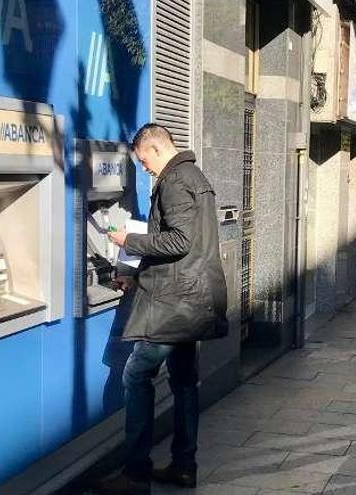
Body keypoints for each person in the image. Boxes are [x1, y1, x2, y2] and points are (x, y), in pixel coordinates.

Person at [94, 124, 228, 495]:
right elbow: (188, 246)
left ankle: (136, 474)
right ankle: (185, 467)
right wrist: (136, 277)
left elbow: (180, 241)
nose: (144, 168)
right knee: (184, 381)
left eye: (143, 161)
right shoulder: (194, 177)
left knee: (136, 376)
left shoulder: (174, 181)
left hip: (175, 304)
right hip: (191, 297)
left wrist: (129, 241)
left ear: (155, 149)